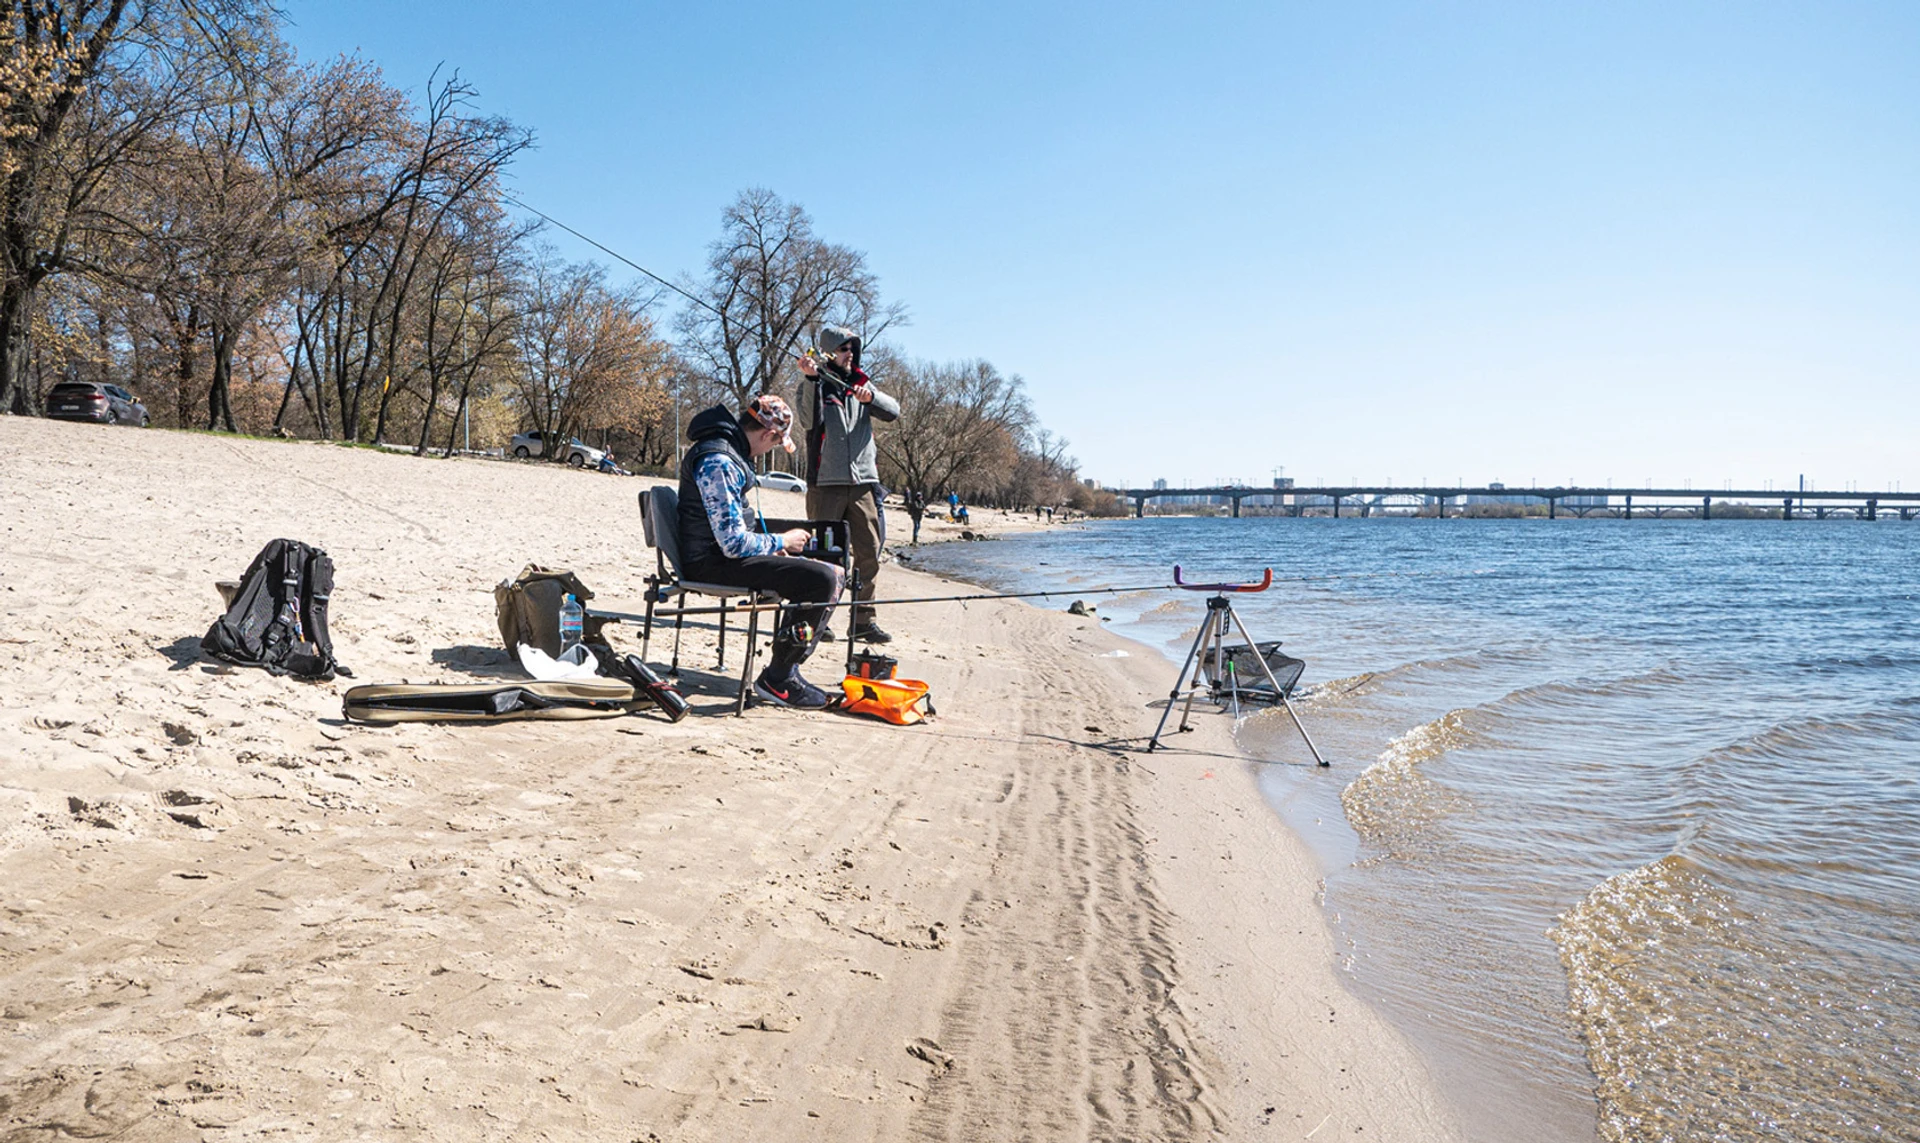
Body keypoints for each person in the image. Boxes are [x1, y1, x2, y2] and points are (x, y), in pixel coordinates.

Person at [678, 394, 842, 709]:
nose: (771, 450)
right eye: (775, 444)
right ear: (767, 434)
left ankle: (786, 669)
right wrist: (782, 542)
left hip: (720, 556)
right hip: (709, 563)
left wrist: (773, 547)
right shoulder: (720, 461)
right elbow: (733, 543)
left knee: (832, 571)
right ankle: (778, 680)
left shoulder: (728, 452)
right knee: (822, 580)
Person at [797, 325, 900, 644]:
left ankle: (863, 621)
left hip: (864, 484)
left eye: (852, 348)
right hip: (825, 484)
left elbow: (893, 412)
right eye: (843, 349)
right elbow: (807, 420)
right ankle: (816, 619)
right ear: (829, 353)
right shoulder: (813, 383)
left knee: (869, 553)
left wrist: (871, 397)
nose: (850, 354)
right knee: (822, 555)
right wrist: (811, 380)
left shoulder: (861, 382)